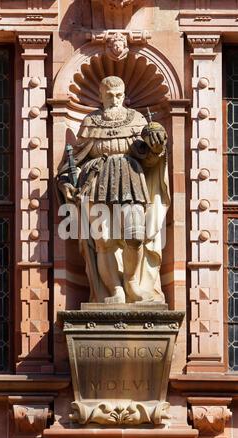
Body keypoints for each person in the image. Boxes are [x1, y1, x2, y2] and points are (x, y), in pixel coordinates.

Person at [57, 76, 170, 304]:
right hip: (97, 181)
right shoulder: (90, 121)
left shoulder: (137, 119)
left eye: (118, 95)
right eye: (109, 95)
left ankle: (131, 283)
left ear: (124, 94)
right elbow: (74, 160)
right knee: (104, 241)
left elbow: (148, 159)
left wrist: (156, 146)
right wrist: (67, 181)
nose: (114, 100)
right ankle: (114, 289)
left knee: (135, 236)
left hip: (130, 180)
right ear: (101, 96)